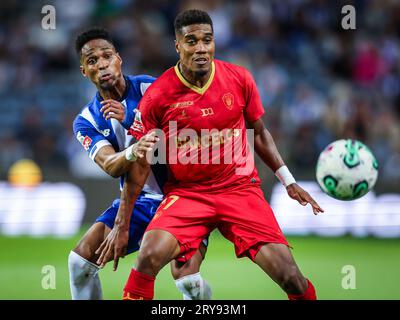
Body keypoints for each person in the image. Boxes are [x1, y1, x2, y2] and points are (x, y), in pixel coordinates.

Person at [97, 9, 324, 300]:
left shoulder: (240, 79)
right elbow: (141, 164)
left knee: (291, 277)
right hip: (188, 194)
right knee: (148, 257)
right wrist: (122, 223)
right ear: (178, 46)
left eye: (207, 40)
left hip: (240, 190)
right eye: (191, 41)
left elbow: (260, 133)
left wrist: (288, 180)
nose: (201, 48)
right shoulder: (158, 96)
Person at [68, 27, 211, 300]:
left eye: (106, 56)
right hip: (140, 201)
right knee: (80, 262)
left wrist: (133, 118)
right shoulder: (86, 120)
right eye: (92, 61)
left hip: (184, 195)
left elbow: (191, 137)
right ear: (84, 72)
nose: (102, 65)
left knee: (188, 281)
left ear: (119, 59)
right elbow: (111, 165)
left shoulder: (154, 88)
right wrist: (134, 150)